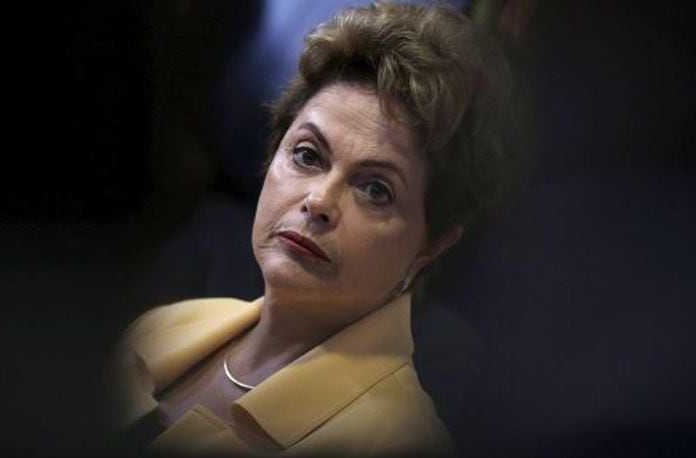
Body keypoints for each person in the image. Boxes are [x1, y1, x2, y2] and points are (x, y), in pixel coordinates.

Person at [112, 2, 514, 455]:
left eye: (376, 190)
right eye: (307, 155)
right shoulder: (161, 328)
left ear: (432, 245)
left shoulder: (397, 441)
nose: (320, 201)